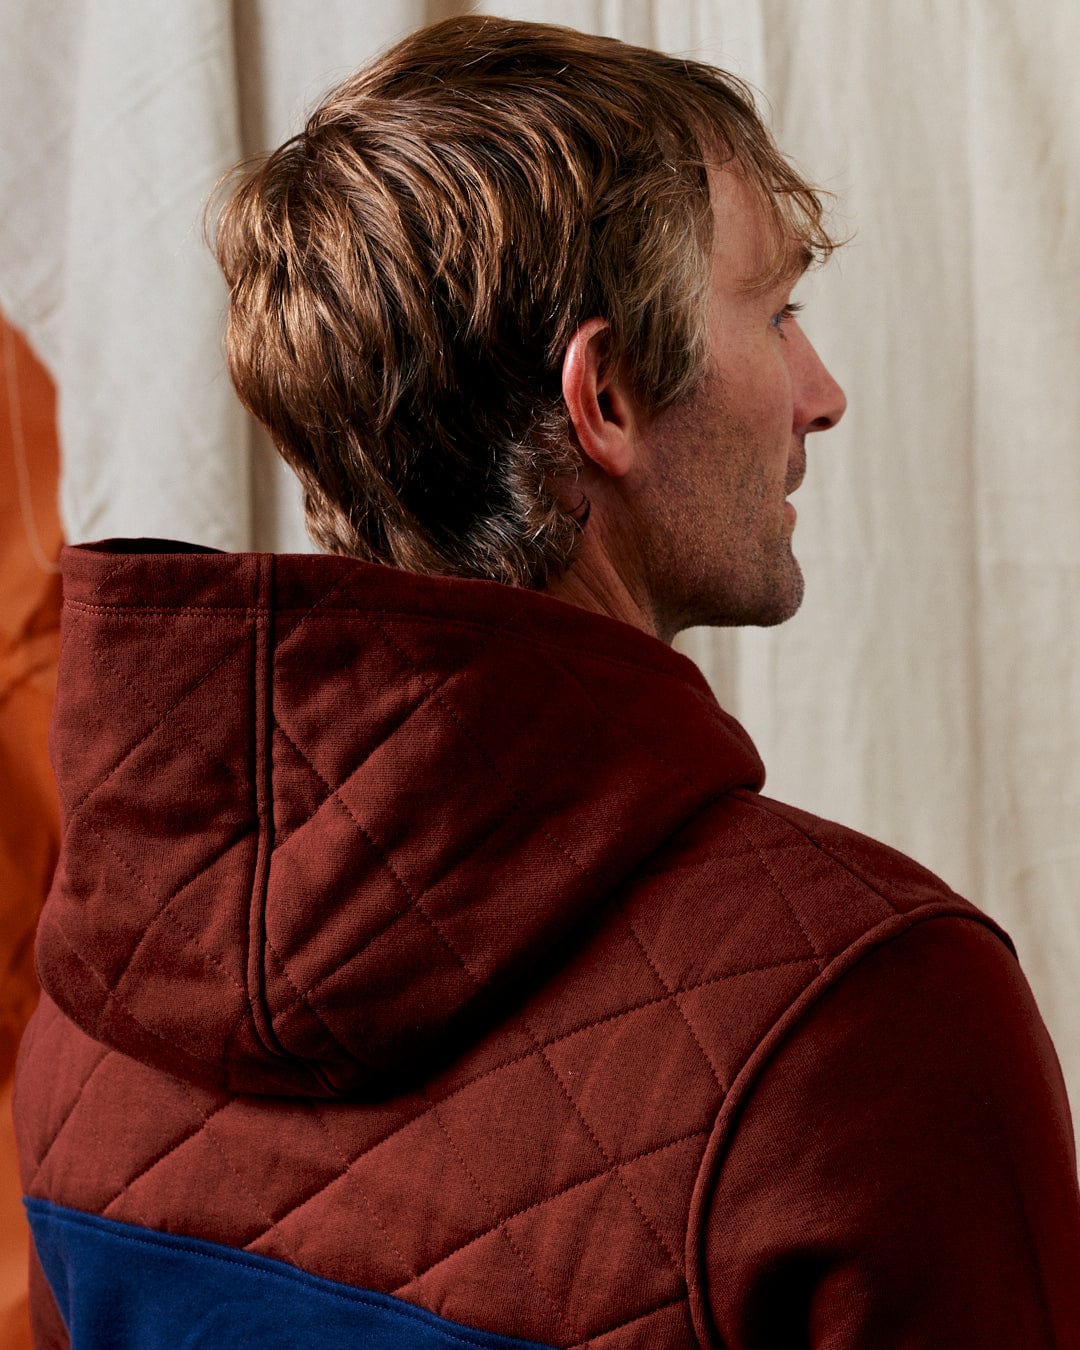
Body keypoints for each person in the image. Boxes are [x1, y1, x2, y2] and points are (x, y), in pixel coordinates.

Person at [13, 14, 1080, 1349]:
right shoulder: (874, 1016)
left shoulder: (108, 965)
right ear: (608, 397)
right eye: (778, 311)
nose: (822, 392)